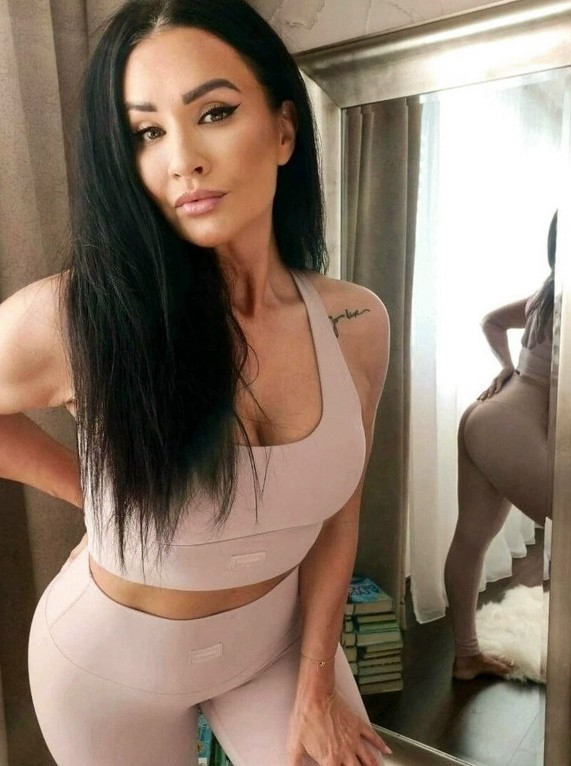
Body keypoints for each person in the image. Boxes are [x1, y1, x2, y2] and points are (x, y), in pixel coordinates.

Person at [0, 1, 392, 764]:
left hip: (278, 649)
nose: (182, 160)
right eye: (147, 133)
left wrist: (316, 685)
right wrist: (94, 494)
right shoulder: (77, 318)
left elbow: (338, 518)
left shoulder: (355, 322)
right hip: (106, 673)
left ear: (284, 130)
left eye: (213, 112)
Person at [444, 212, 557, 681]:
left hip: (488, 416)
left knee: (470, 538)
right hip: (511, 427)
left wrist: (507, 367)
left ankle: (466, 655)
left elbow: (491, 320)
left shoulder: (546, 293)